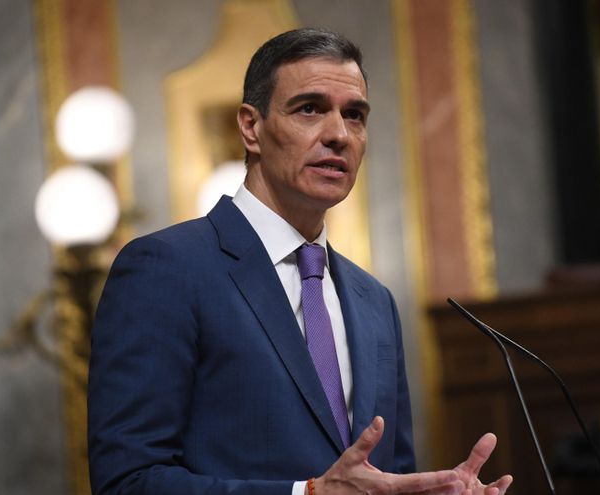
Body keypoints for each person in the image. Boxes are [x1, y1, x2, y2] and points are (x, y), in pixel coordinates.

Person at [87, 28, 512, 495]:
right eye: (309, 109)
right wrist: (305, 494)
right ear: (251, 127)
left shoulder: (376, 302)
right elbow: (127, 481)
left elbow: (379, 481)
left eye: (354, 116)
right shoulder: (165, 269)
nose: (338, 135)